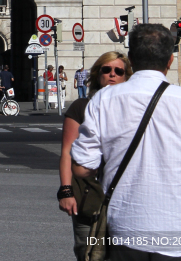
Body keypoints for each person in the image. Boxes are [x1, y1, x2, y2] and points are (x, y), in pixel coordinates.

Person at [72, 24, 181, 260]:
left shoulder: (104, 100)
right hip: (180, 231)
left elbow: (82, 167)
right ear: (170, 60)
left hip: (126, 228)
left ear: (131, 60)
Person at [59, 51, 132, 261]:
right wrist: (66, 191)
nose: (112, 75)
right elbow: (67, 151)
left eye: (119, 71)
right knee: (88, 252)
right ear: (97, 74)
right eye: (106, 69)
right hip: (88, 194)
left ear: (126, 76)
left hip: (126, 195)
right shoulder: (81, 107)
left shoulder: (133, 108)